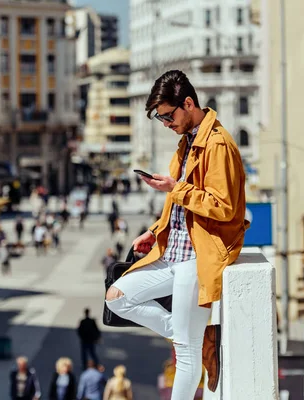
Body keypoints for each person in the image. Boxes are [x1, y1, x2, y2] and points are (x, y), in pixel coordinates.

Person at [104, 70, 248, 396]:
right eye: (161, 119)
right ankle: (200, 335)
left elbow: (224, 207)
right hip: (172, 250)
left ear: (188, 103)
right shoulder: (187, 143)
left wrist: (175, 188)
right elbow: (178, 205)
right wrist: (154, 231)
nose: (167, 124)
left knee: (185, 354)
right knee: (116, 299)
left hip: (200, 255)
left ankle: (194, 337)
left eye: (169, 116)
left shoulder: (218, 145)